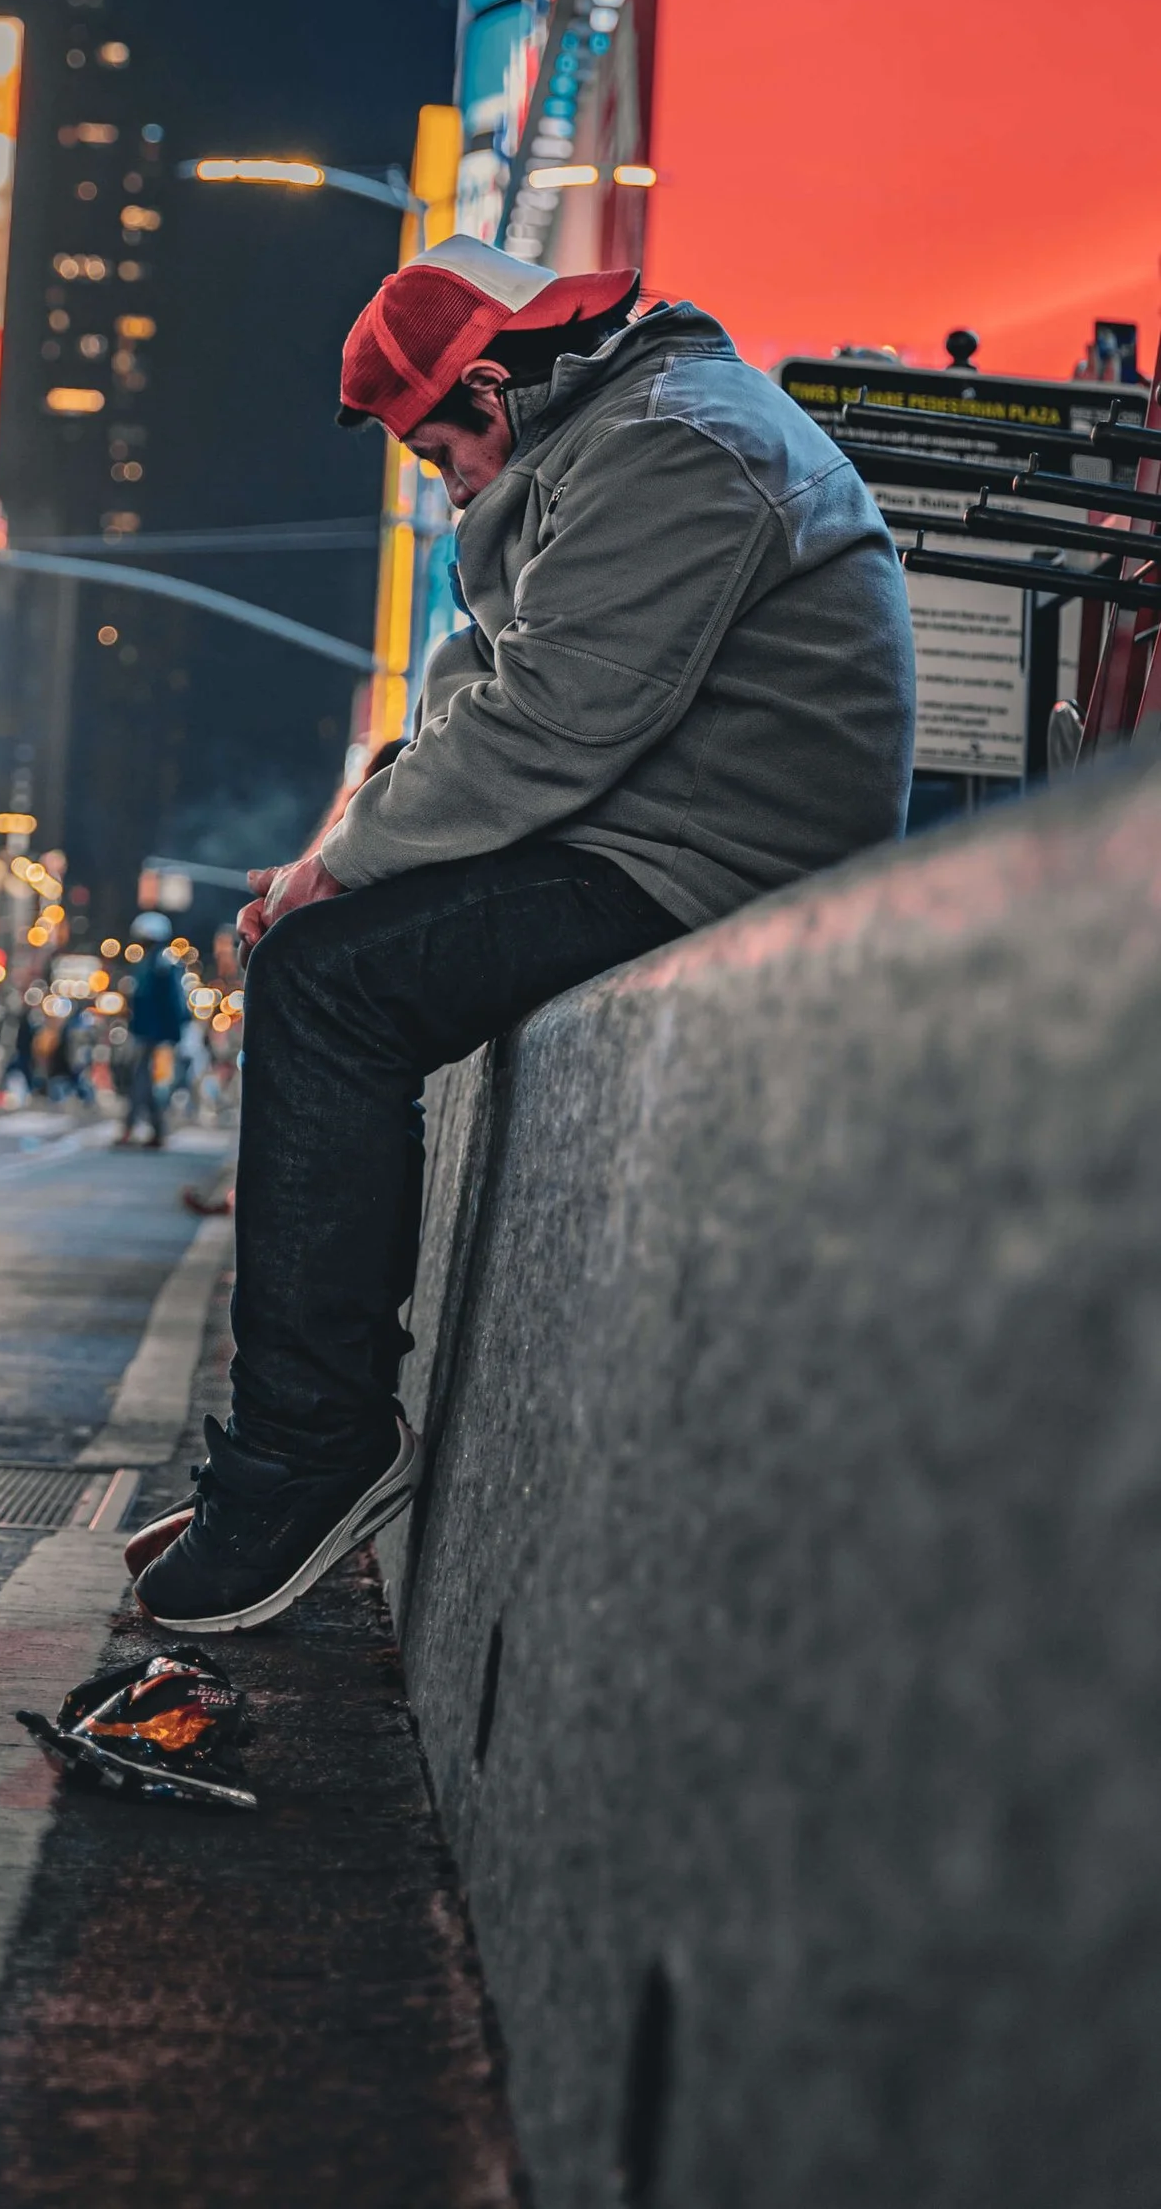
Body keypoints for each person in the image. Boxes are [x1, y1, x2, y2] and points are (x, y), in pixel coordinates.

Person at [134, 237, 916, 1639]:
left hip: (719, 863)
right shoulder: (603, 444)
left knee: (328, 986)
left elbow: (544, 725)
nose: (450, 483)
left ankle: (312, 1449)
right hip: (638, 835)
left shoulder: (682, 446)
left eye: (441, 449)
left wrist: (330, 884)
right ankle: (294, 1442)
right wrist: (330, 863)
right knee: (332, 943)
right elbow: (462, 716)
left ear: (495, 387)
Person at [114, 919, 191, 1150]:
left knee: (143, 1082)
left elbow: (156, 1001)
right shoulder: (158, 962)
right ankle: (155, 1131)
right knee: (145, 1083)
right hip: (154, 1033)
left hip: (153, 1034)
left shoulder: (158, 964)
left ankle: (134, 1129)